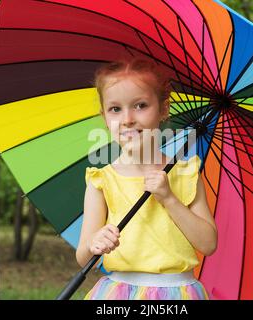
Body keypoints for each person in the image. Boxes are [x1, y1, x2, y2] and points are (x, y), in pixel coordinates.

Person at [76, 58, 217, 300]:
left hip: (177, 294)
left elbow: (208, 244)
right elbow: (83, 256)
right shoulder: (102, 180)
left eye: (140, 105)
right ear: (104, 117)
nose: (128, 118)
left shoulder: (185, 173)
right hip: (118, 293)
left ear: (163, 109)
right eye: (115, 109)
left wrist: (169, 198)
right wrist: (94, 243)